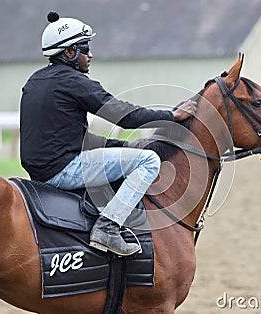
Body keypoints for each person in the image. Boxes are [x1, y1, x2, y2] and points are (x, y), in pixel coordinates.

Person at [20, 12, 196, 256]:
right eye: (85, 48)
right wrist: (171, 116)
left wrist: (123, 145)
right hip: (61, 171)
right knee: (149, 161)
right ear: (70, 52)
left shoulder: (35, 80)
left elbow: (73, 138)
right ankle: (108, 226)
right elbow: (125, 116)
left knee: (134, 154)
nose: (90, 55)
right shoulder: (75, 82)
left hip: (38, 170)